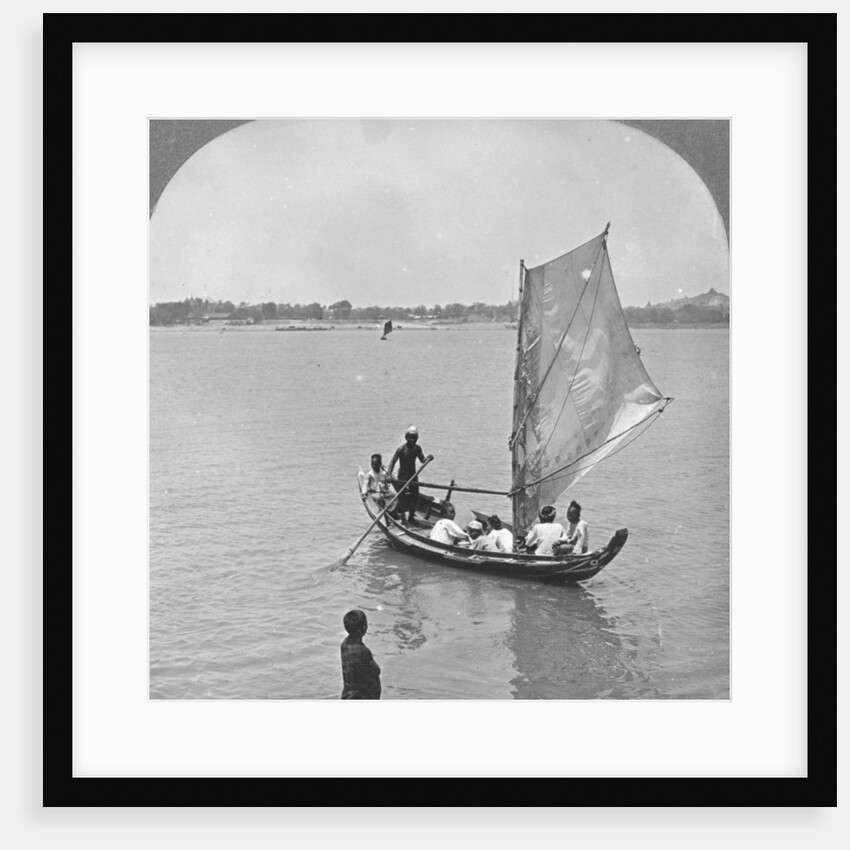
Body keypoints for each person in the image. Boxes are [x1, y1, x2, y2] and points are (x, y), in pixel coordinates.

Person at [388, 426, 434, 526]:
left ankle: (411, 518)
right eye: (411, 437)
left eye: (415, 437)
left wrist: (428, 458)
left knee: (415, 496)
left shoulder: (417, 449)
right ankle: (402, 517)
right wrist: (389, 475)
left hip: (413, 477)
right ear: (406, 437)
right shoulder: (401, 449)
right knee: (402, 497)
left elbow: (422, 460)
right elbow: (392, 462)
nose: (413, 440)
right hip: (402, 477)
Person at [340, 609, 382, 700]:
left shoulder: (344, 645)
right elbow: (376, 670)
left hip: (349, 693)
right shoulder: (362, 651)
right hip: (363, 696)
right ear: (364, 627)